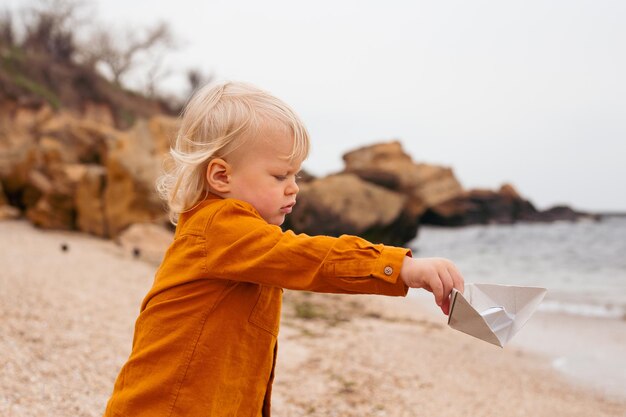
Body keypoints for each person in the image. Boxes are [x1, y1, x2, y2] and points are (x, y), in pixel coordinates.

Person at [103, 81, 464, 417]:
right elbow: (308, 257)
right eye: (279, 176)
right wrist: (398, 267)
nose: (293, 188)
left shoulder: (235, 236)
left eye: (297, 175)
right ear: (221, 176)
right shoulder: (220, 228)